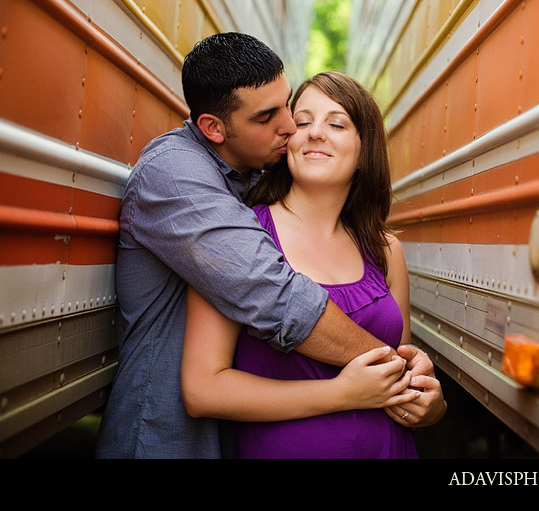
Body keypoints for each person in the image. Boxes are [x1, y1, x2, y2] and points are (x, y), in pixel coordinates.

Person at [95, 33, 444, 459]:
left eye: (288, 108)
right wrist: (393, 372)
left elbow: (411, 382)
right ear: (213, 128)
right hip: (165, 438)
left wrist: (426, 399)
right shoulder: (180, 180)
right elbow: (273, 297)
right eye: (274, 117)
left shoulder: (374, 244)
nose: (295, 129)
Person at [180, 71, 444, 458]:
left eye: (336, 123)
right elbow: (202, 389)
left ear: (363, 150)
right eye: (302, 122)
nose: (314, 133)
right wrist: (340, 394)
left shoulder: (386, 250)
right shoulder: (241, 235)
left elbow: (400, 371)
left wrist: (431, 406)